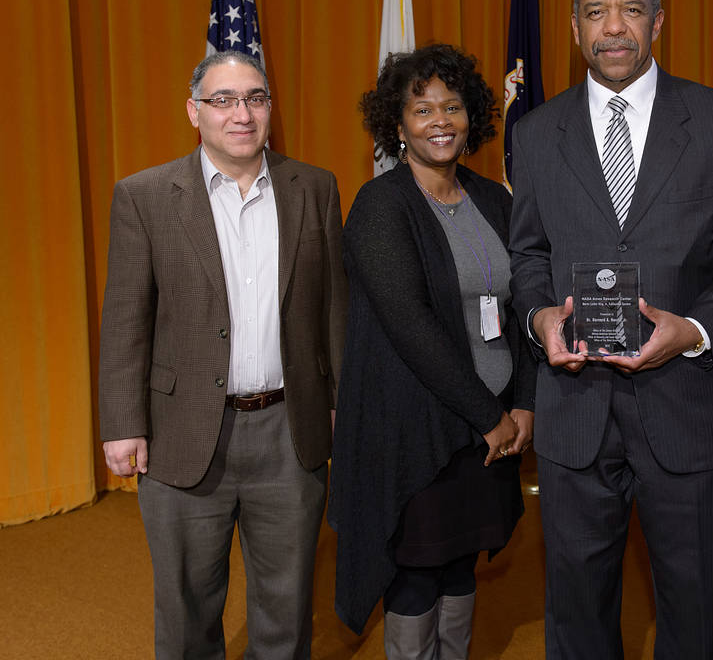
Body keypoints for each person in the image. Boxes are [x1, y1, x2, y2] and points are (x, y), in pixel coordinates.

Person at [508, 0, 713, 659]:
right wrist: (540, 320)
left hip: (683, 404)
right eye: (596, 13)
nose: (613, 28)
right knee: (574, 611)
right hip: (573, 412)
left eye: (629, 10)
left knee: (690, 611)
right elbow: (527, 254)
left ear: (657, 21)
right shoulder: (535, 135)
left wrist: (692, 328)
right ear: (573, 28)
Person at [98, 50, 346, 659]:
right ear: (194, 112)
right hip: (182, 436)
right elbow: (126, 320)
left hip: (291, 435)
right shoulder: (145, 196)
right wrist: (123, 424)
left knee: (286, 611)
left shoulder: (314, 187)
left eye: (255, 98)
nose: (242, 113)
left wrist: (341, 402)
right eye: (224, 100)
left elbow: (334, 309)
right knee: (187, 611)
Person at [329, 43, 536, 659]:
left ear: (471, 115)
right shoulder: (381, 206)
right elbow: (412, 329)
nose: (440, 120)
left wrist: (523, 405)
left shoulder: (493, 200)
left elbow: (523, 307)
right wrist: (490, 416)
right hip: (416, 432)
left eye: (452, 106)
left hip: (489, 431)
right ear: (397, 125)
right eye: (422, 109)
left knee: (460, 564)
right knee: (418, 568)